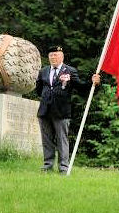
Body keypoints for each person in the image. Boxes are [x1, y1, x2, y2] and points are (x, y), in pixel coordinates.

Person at [35, 45, 100, 173]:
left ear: (62, 56)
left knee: (62, 140)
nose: (53, 57)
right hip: (45, 111)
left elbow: (81, 87)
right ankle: (47, 165)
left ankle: (63, 167)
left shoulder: (70, 70)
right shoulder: (44, 71)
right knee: (47, 140)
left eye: (56, 55)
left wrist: (93, 83)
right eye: (51, 55)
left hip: (61, 112)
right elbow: (39, 89)